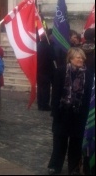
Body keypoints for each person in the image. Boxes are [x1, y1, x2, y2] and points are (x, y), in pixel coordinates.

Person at [48, 47, 94, 175]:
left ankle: (73, 167)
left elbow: (89, 94)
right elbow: (56, 93)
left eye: (82, 57)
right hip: (63, 112)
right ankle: (55, 166)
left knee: (76, 142)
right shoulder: (61, 71)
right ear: (71, 58)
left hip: (80, 113)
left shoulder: (89, 74)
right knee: (59, 142)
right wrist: (55, 111)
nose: (81, 59)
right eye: (78, 57)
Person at [37, 33, 56, 111]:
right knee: (45, 89)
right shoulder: (48, 47)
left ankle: (40, 104)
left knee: (40, 88)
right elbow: (53, 57)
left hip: (38, 70)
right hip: (46, 70)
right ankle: (45, 105)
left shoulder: (38, 45)